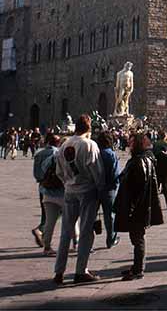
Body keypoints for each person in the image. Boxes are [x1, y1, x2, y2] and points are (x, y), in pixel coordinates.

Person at [53, 114, 104, 285]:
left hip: (69, 191)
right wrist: (100, 188)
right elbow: (97, 170)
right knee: (85, 231)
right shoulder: (89, 145)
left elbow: (59, 172)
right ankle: (81, 271)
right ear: (89, 127)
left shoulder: (64, 144)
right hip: (87, 191)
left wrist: (68, 182)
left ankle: (59, 272)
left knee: (66, 232)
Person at [114, 132, 164, 280]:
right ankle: (136, 267)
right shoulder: (144, 159)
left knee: (138, 238)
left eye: (131, 142)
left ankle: (138, 270)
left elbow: (137, 187)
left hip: (137, 207)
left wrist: (131, 207)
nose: (128, 145)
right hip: (140, 206)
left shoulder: (138, 162)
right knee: (136, 238)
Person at [40, 135, 80, 255]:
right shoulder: (70, 157)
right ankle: (76, 243)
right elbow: (74, 174)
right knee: (72, 219)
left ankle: (47, 247)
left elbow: (43, 169)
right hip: (65, 193)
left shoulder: (53, 156)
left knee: (49, 222)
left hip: (49, 193)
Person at [33, 132, 61, 248]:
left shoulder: (39, 154)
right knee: (58, 213)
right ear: (58, 143)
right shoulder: (58, 153)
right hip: (56, 189)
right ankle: (40, 230)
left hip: (42, 186)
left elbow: (36, 174)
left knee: (45, 214)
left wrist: (42, 180)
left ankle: (43, 234)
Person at [97, 131, 121, 248]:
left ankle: (87, 241)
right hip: (109, 189)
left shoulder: (95, 153)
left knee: (91, 214)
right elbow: (115, 173)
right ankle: (111, 238)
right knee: (109, 215)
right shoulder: (111, 154)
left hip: (95, 188)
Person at [154, 142, 167, 209]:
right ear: (165, 150)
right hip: (165, 175)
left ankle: (155, 205)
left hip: (158, 174)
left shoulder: (156, 156)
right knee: (166, 190)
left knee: (156, 189)